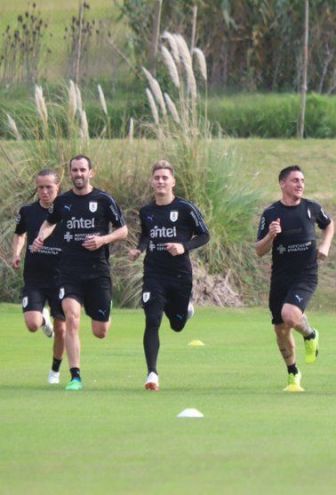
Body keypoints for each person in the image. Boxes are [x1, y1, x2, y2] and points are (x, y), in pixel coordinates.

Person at [32, 155, 128, 391]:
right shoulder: (63, 201)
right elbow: (49, 222)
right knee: (71, 318)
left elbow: (123, 230)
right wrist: (41, 236)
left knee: (100, 331)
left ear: (91, 173)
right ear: (70, 173)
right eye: (74, 170)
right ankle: (75, 376)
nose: (78, 174)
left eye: (82, 170)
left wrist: (102, 239)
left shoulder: (104, 200)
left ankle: (104, 310)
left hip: (98, 271)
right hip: (69, 271)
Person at [128, 160, 210, 391]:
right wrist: (139, 248)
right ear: (152, 182)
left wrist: (184, 246)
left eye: (165, 177)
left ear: (172, 181)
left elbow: (204, 235)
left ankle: (185, 311)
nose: (161, 181)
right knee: (152, 320)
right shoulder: (146, 211)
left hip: (180, 274)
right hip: (154, 273)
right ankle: (152, 373)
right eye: (157, 178)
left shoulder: (185, 209)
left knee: (176, 325)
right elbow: (146, 235)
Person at [256, 165, 334, 392]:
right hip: (280, 277)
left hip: (306, 275)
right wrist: (271, 235)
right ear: (282, 184)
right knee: (280, 330)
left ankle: (309, 334)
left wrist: (325, 245)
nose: (300, 184)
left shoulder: (311, 208)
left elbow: (329, 225)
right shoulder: (270, 214)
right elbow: (259, 251)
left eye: (302, 180)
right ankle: (293, 373)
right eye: (295, 181)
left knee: (289, 315)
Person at [11, 169, 67, 384]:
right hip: (34, 278)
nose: (44, 192)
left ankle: (54, 371)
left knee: (62, 329)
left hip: (61, 279)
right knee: (33, 324)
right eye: (40, 187)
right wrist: (16, 253)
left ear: (57, 187)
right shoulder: (27, 211)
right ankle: (43, 317)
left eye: (49, 187)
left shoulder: (66, 210)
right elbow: (19, 234)